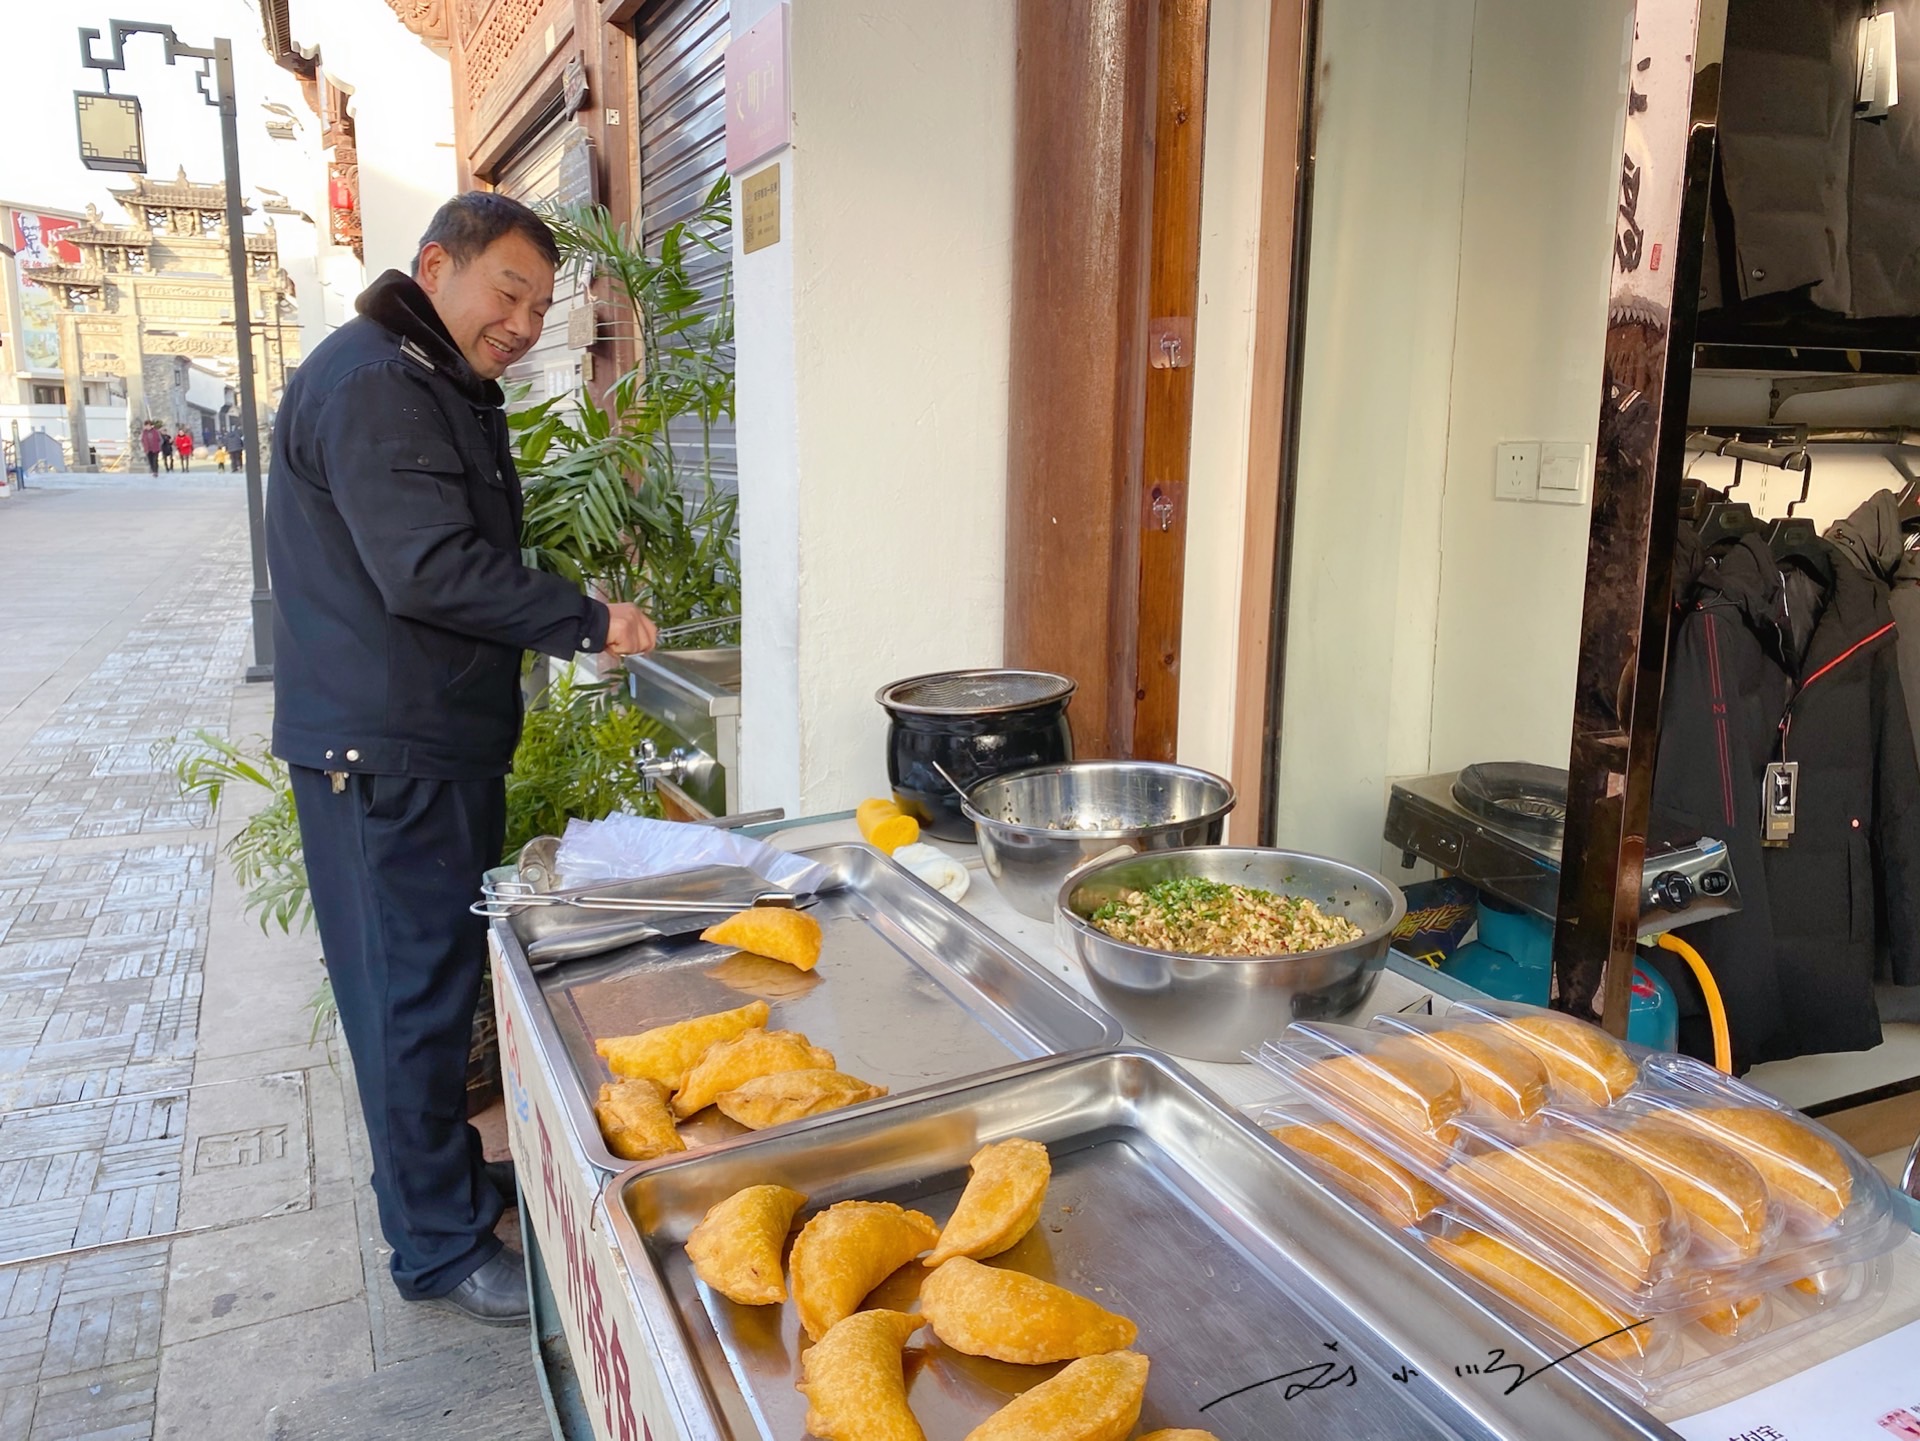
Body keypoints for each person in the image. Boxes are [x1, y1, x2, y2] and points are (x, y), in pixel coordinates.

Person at [265, 192, 656, 1328]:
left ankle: (440, 1183)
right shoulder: (381, 383)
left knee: (431, 988)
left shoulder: (422, 376)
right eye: (509, 292)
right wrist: (588, 618)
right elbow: (428, 568)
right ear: (437, 265)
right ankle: (434, 1245)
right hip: (389, 759)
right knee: (407, 1000)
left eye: (542, 304)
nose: (526, 322)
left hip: (419, 744)